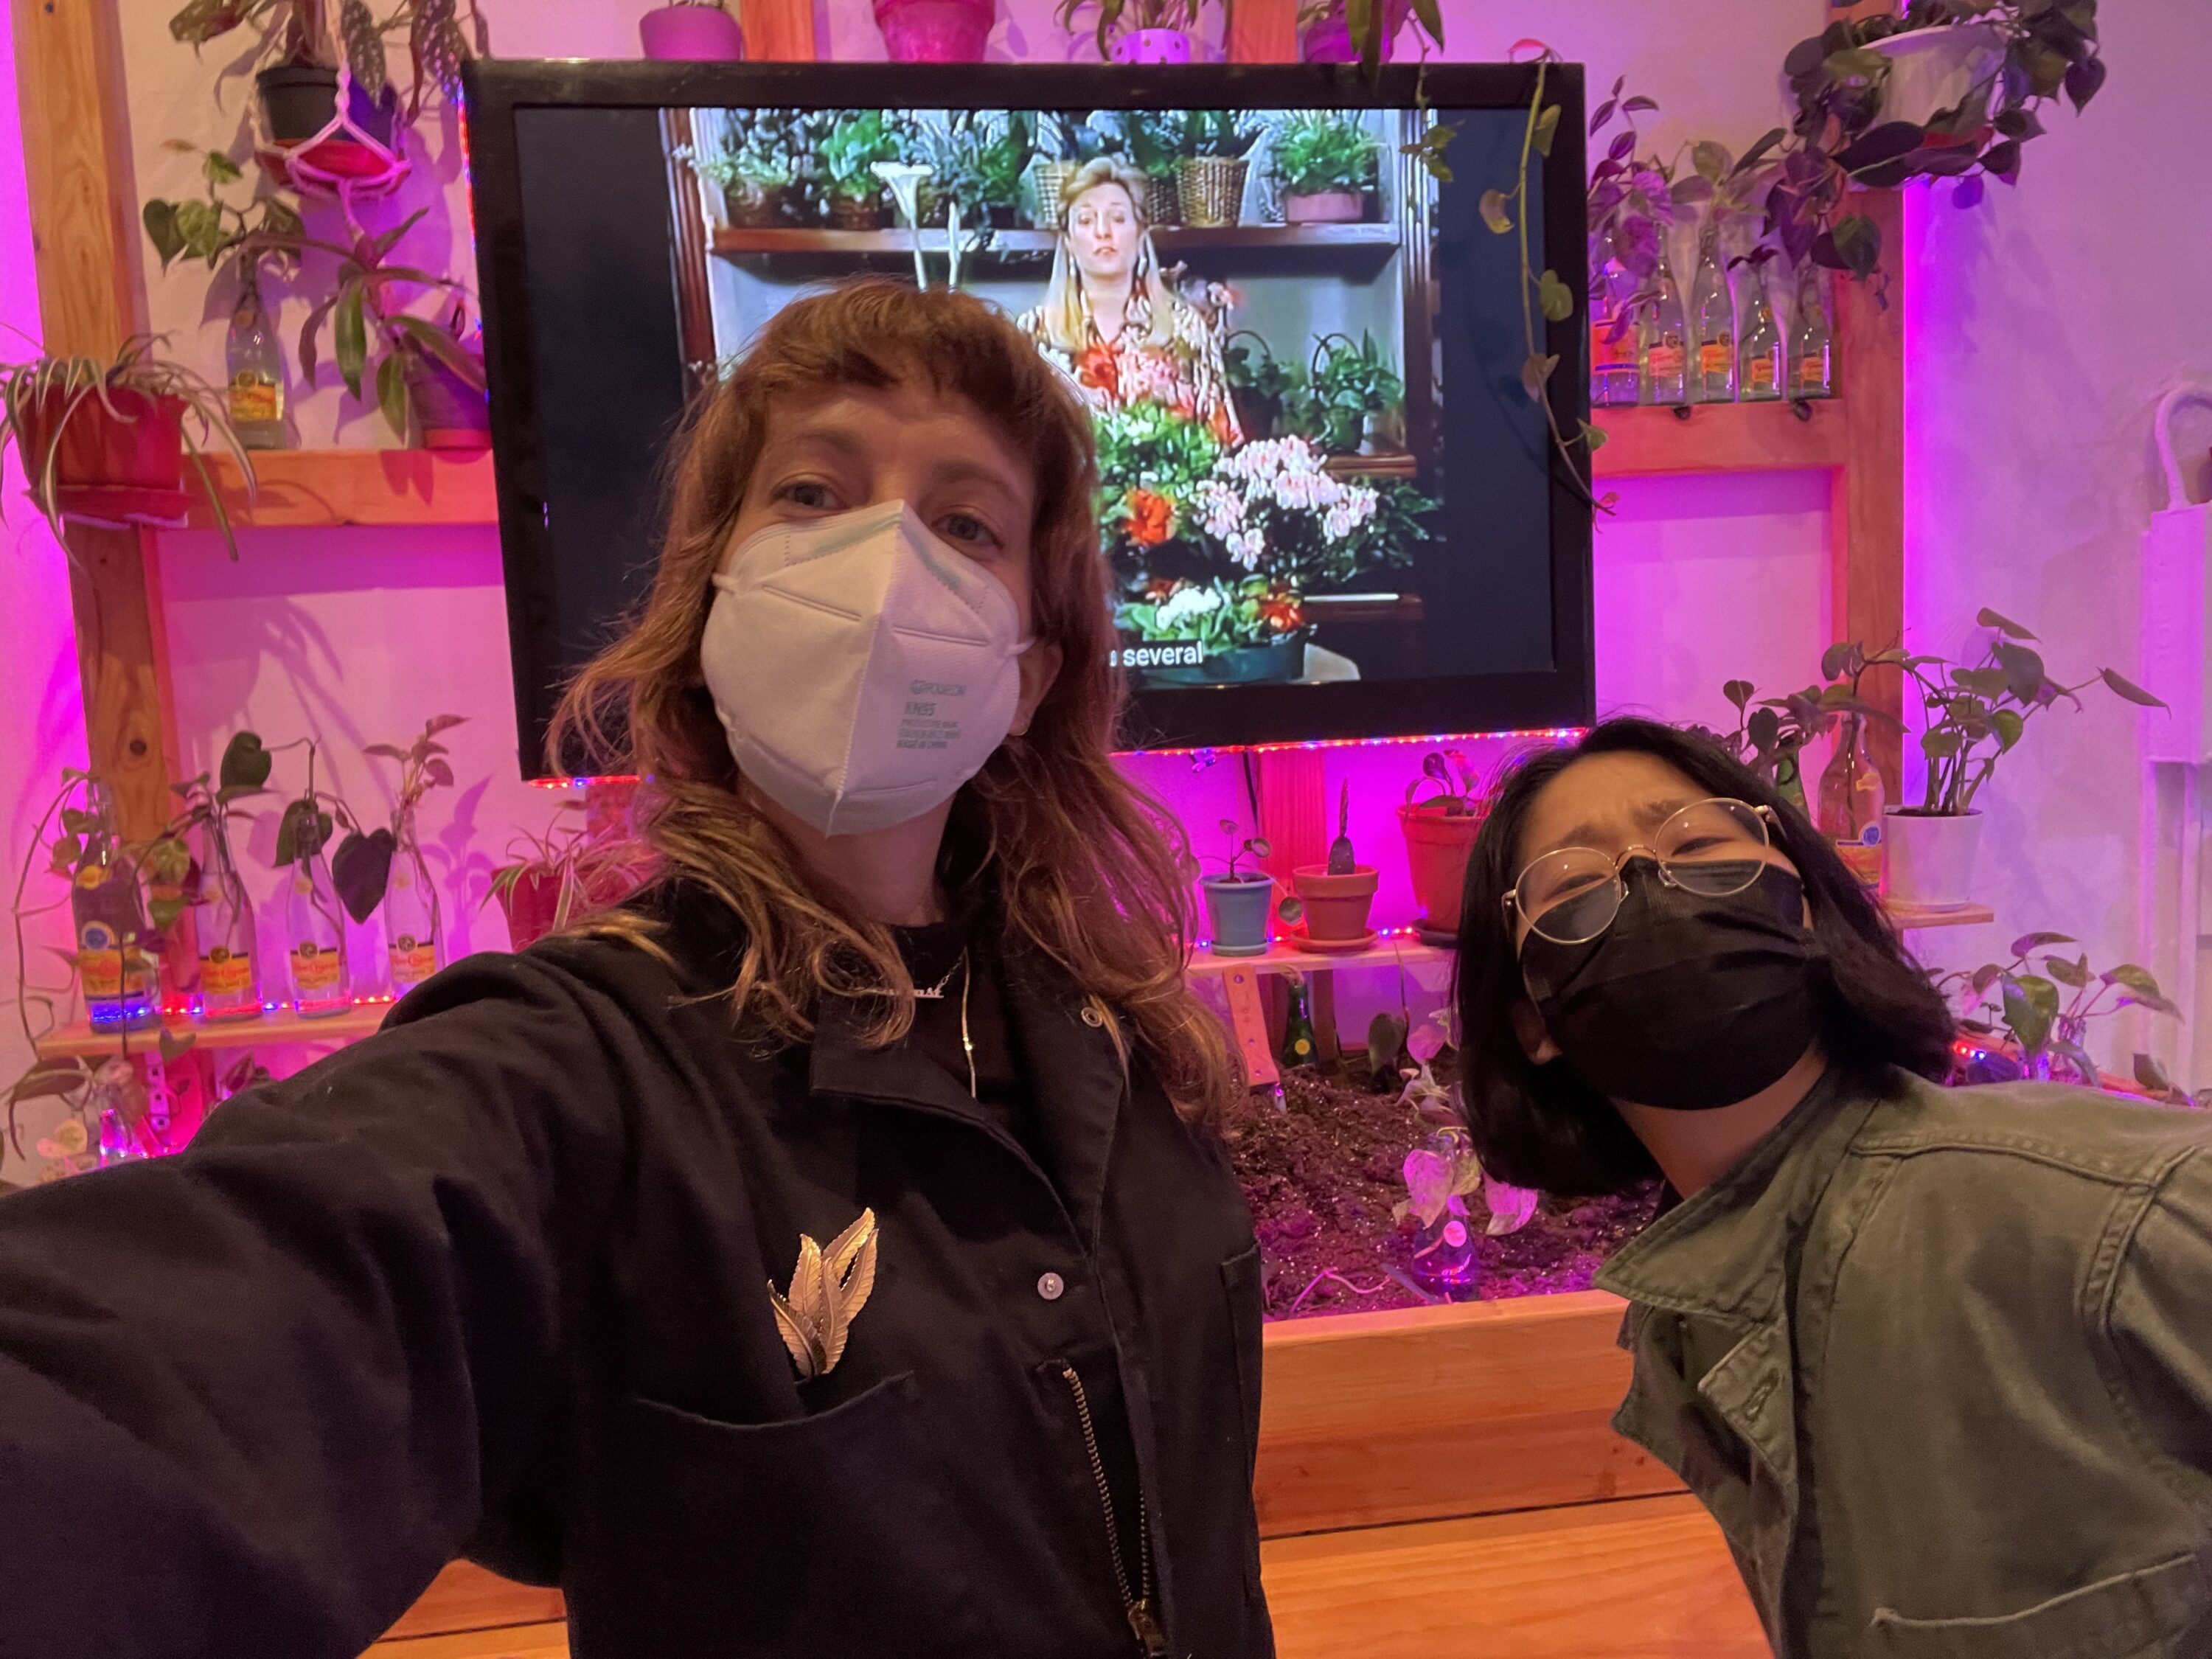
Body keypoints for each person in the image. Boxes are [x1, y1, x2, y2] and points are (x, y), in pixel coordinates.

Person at [0, 282, 1273, 1659]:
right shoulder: (584, 1068)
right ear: (716, 595)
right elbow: (211, 1345)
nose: (884, 560)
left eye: (964, 523)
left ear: (1028, 671)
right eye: (811, 493)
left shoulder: (1118, 1024)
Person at [1455, 717, 2212, 1658]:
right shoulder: (1692, 1326)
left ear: (1801, 906)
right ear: (1534, 1023)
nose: (1649, 882)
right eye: (1574, 885)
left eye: (1695, 844)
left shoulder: (2113, 1211)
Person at [1019, 158, 1243, 444]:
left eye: (1118, 218)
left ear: (1140, 236)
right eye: (1087, 220)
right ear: (1069, 242)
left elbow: (1221, 441)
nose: (1103, 232)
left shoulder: (1184, 328)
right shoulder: (1035, 333)